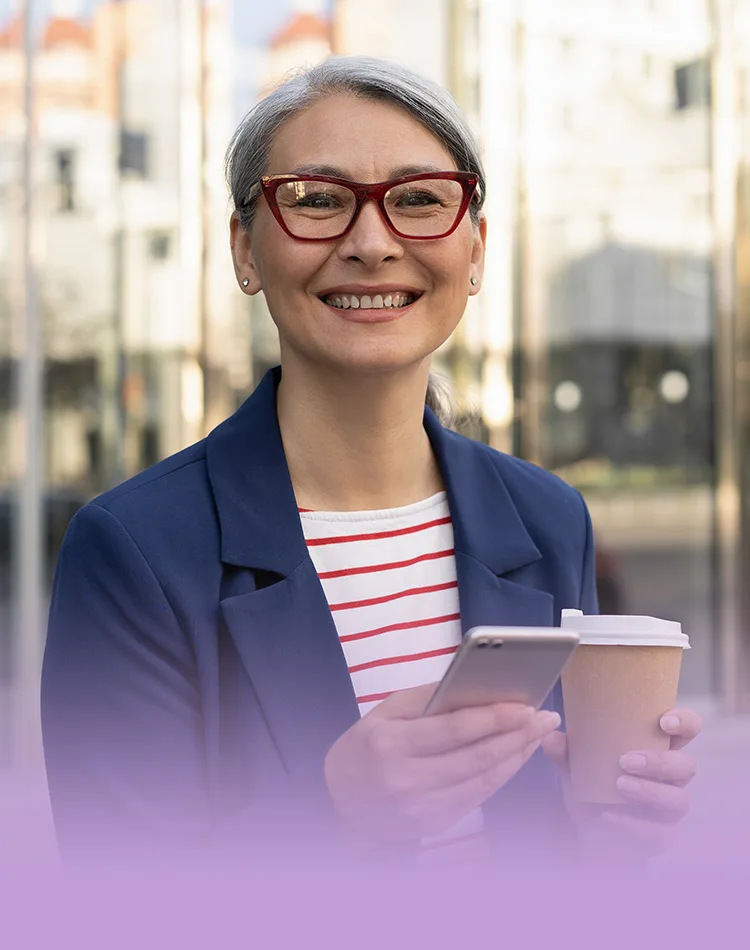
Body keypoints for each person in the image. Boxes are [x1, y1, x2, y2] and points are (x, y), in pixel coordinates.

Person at [41, 56, 700, 868]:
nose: (371, 242)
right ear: (246, 248)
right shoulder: (133, 549)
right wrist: (332, 812)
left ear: (475, 250)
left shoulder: (547, 517)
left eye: (420, 200)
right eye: (317, 201)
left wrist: (595, 824)